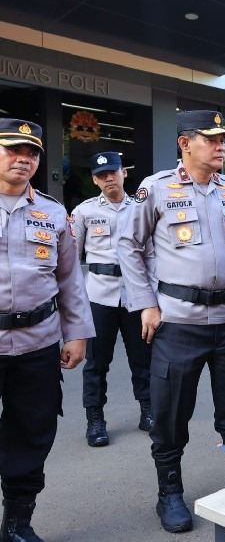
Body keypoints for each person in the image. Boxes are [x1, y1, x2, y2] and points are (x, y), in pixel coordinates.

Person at [118, 110, 225, 533]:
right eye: (212, 139)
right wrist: (145, 302)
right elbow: (129, 245)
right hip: (178, 321)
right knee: (170, 413)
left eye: (224, 140)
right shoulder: (157, 188)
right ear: (186, 143)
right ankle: (169, 492)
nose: (221, 146)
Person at [0, 118, 94, 542]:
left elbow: (70, 279)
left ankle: (18, 522)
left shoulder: (53, 212)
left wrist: (77, 333)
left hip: (38, 343)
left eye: (32, 152)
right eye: (13, 149)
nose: (24, 159)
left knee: (32, 431)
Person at [71, 152, 154, 447]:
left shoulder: (142, 208)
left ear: (124, 174)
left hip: (136, 295)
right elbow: (71, 259)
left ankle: (148, 411)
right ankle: (95, 420)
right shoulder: (84, 212)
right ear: (95, 179)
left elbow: (152, 254)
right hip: (99, 296)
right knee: (96, 363)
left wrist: (154, 298)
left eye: (113, 172)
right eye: (102, 174)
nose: (109, 178)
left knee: (143, 359)